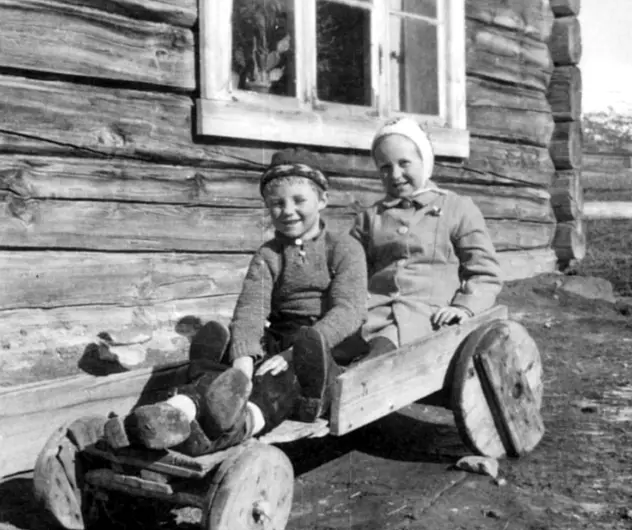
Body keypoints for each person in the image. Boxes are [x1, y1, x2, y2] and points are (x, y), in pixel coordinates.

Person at [112, 150, 367, 454]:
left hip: (322, 346)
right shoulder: (269, 255)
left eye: (299, 200)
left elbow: (349, 310)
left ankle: (236, 426)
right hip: (279, 333)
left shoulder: (343, 249)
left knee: (280, 376)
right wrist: (242, 362)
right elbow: (251, 309)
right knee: (233, 370)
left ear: (322, 200)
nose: (287, 211)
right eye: (276, 203)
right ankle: (173, 413)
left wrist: (293, 353)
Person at [340, 117, 502, 362]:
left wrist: (464, 307)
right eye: (385, 167)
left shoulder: (457, 208)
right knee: (338, 341)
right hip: (373, 310)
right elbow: (350, 270)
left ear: (424, 162)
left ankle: (357, 379)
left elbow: (485, 272)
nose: (395, 175)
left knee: (384, 345)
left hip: (428, 315)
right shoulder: (370, 218)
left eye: (404, 163)